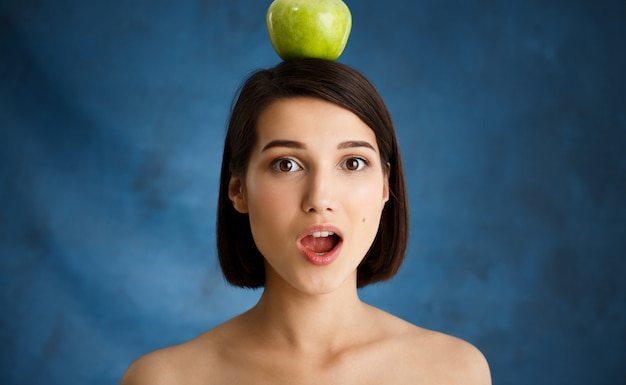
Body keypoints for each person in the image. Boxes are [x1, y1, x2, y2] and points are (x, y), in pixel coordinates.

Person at [120, 58, 491, 385]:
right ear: (238, 190)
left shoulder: (455, 373)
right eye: (286, 164)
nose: (320, 199)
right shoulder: (162, 380)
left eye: (352, 163)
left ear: (384, 186)